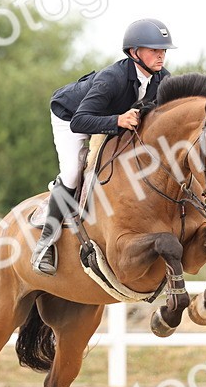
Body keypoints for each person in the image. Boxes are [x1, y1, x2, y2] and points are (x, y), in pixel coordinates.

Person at [31, 18, 176, 275]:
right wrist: (118, 120)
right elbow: (79, 121)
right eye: (154, 50)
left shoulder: (162, 79)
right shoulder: (112, 78)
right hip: (71, 116)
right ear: (134, 53)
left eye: (163, 50)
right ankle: (45, 244)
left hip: (110, 119)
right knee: (73, 173)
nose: (160, 55)